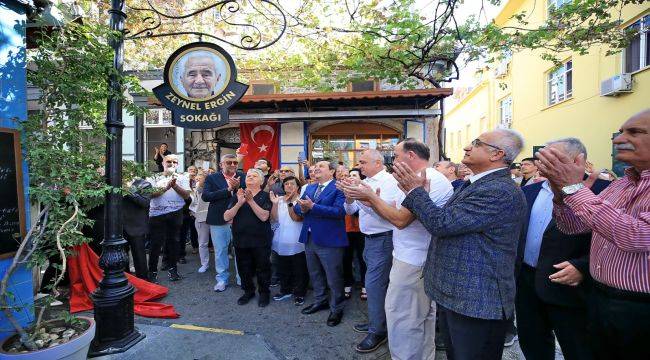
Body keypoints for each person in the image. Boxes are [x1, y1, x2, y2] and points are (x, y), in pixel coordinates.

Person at [392, 129, 527, 360]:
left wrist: (414, 191)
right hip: (459, 294)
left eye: (476, 143)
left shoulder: (498, 190)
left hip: (476, 299)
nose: (466, 147)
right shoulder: (476, 184)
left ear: (497, 154)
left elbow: (441, 224)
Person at [535, 109, 650, 360]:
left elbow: (636, 236)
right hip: (599, 299)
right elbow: (575, 227)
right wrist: (561, 194)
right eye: (620, 132)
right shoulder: (621, 184)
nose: (618, 139)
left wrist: (574, 189)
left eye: (634, 132)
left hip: (639, 309)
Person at [341, 139, 453, 360]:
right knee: (418, 318)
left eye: (396, 155)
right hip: (411, 256)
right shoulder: (414, 180)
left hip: (414, 260)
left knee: (403, 319)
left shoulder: (430, 179)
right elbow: (393, 213)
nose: (393, 160)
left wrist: (370, 197)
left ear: (411, 156)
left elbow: (401, 220)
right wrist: (369, 199)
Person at [516, 138, 610, 360]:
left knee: (577, 348)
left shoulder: (601, 190)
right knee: (532, 342)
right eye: (542, 157)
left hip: (570, 287)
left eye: (553, 157)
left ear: (578, 160)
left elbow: (613, 241)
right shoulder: (530, 191)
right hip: (528, 282)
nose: (543, 162)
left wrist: (583, 267)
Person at [340, 149, 401, 353]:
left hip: (383, 239)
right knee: (375, 286)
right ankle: (377, 322)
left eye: (363, 162)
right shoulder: (366, 182)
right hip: (369, 240)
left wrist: (365, 200)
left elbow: (386, 215)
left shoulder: (389, 182)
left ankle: (377, 331)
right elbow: (350, 211)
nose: (359, 165)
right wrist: (349, 198)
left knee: (374, 286)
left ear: (378, 163)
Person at [294, 160, 347, 327]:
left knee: (333, 277)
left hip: (330, 240)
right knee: (315, 273)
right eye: (315, 167)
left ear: (332, 172)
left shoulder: (338, 187)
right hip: (310, 238)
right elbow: (297, 208)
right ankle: (320, 300)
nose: (316, 169)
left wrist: (313, 207)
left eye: (321, 167)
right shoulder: (309, 187)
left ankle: (337, 308)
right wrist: (301, 208)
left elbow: (339, 212)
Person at [224, 169, 273, 307]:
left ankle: (264, 293)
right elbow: (226, 217)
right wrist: (240, 202)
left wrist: (250, 201)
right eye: (248, 176)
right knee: (243, 268)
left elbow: (264, 216)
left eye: (254, 176)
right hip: (240, 239)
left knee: (263, 268)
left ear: (261, 181)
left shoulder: (266, 196)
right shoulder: (237, 195)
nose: (250, 177)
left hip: (261, 240)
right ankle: (248, 291)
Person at [202, 154, 246, 292]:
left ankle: (242, 278)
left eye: (235, 162)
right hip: (218, 219)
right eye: (229, 162)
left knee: (240, 250)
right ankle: (222, 279)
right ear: (221, 164)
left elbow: (251, 193)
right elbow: (206, 196)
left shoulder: (243, 176)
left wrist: (239, 187)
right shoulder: (212, 178)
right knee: (220, 250)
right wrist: (228, 190)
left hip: (240, 219)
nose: (233, 165)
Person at [147, 154, 191, 282]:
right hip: (156, 214)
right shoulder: (154, 177)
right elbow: (150, 194)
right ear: (163, 163)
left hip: (176, 213)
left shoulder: (182, 177)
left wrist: (175, 186)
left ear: (177, 165)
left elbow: (186, 195)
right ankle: (152, 271)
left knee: (174, 242)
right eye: (169, 161)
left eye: (174, 162)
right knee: (155, 243)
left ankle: (173, 269)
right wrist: (166, 187)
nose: (171, 163)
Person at [269, 176, 309, 305]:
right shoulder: (279, 199)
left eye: (292, 184)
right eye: (286, 184)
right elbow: (274, 218)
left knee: (299, 269)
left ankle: (300, 293)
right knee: (283, 268)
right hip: (281, 240)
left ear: (298, 187)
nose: (289, 186)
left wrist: (291, 201)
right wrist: (275, 204)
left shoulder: (302, 200)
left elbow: (297, 218)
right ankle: (285, 290)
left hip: (297, 241)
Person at [341, 168, 367, 300]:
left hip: (361, 230)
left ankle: (364, 285)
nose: (351, 177)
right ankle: (347, 284)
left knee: (363, 259)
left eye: (354, 175)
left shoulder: (364, 190)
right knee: (346, 258)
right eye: (349, 175)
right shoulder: (344, 190)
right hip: (346, 230)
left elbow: (360, 211)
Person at [122, 177, 152, 280]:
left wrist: (127, 191)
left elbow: (145, 203)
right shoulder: (114, 183)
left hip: (136, 226)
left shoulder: (144, 184)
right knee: (122, 257)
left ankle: (144, 281)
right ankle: (125, 280)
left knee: (139, 256)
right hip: (119, 226)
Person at [191, 170, 212, 273]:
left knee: (219, 244)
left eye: (201, 177)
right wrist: (194, 213)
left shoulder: (212, 187)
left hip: (214, 217)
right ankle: (204, 264)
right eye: (197, 177)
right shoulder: (196, 189)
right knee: (203, 243)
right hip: (200, 218)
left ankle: (222, 265)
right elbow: (193, 204)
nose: (198, 178)